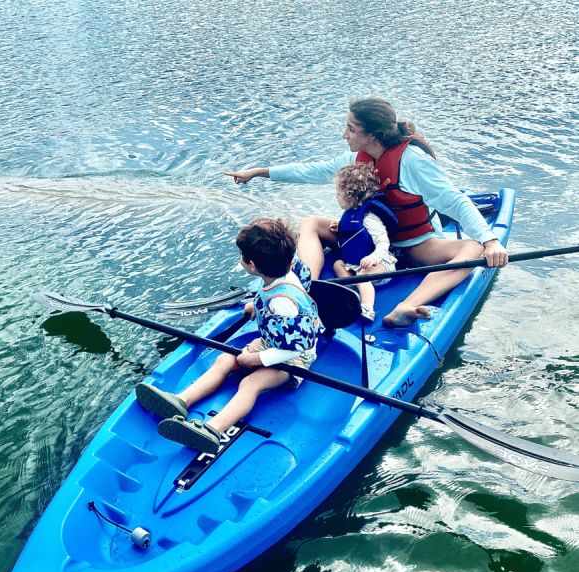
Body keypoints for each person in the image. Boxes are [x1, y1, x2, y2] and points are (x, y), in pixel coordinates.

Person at [224, 97, 509, 328]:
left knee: (473, 248)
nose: (344, 133)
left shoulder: (413, 162)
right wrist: (260, 173)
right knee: (312, 223)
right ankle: (307, 285)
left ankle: (407, 305)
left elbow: (455, 202)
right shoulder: (356, 158)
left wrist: (490, 240)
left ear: (371, 135)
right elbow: (313, 170)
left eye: (350, 128)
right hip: (366, 241)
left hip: (413, 246)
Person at [135, 217, 322, 454]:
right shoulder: (286, 267)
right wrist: (257, 305)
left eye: (242, 256)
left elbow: (296, 346)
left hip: (292, 358)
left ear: (252, 265)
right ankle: (181, 400)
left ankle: (213, 429)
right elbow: (291, 287)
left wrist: (257, 360)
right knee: (224, 360)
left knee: (250, 383)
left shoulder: (282, 303)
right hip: (271, 341)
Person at [330, 162, 397, 321]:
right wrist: (340, 227)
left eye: (339, 193)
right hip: (355, 264)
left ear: (350, 195)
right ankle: (352, 288)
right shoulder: (350, 214)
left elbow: (383, 242)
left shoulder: (369, 218)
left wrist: (373, 257)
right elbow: (353, 230)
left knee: (363, 275)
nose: (336, 196)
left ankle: (367, 309)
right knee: (337, 264)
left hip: (380, 264)